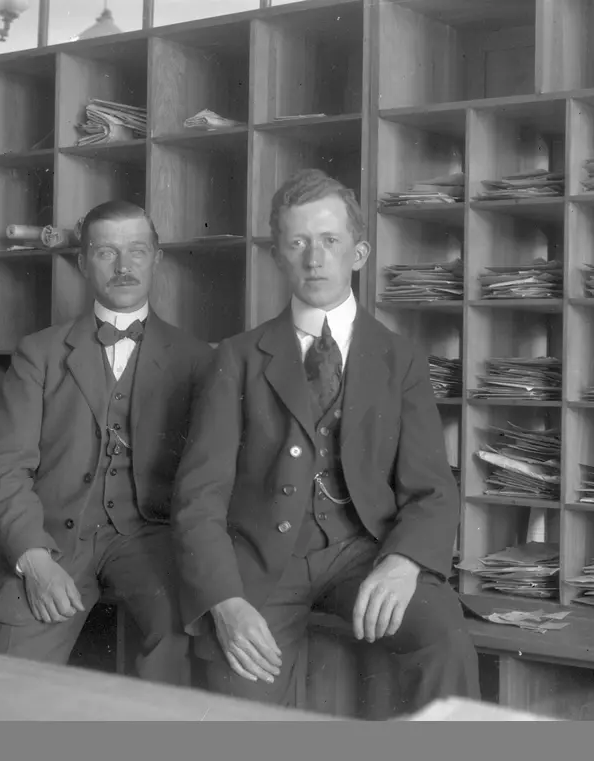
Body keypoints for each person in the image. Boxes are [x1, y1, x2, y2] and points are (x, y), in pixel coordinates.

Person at [171, 169, 479, 711]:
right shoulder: (237, 358)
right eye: (298, 243)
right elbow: (199, 496)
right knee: (240, 704)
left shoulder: (400, 358)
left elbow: (432, 487)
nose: (314, 259)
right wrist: (225, 601)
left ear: (358, 253)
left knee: (442, 633)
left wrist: (404, 563)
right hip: (261, 564)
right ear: (277, 256)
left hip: (365, 553)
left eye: (330, 241)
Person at [0, 200, 213, 686]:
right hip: (52, 538)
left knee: (184, 637)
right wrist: (34, 560)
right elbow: (4, 467)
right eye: (107, 252)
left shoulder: (195, 358)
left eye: (137, 251)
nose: (124, 266)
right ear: (83, 262)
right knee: (8, 681)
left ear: (156, 258)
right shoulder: (39, 353)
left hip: (150, 540)